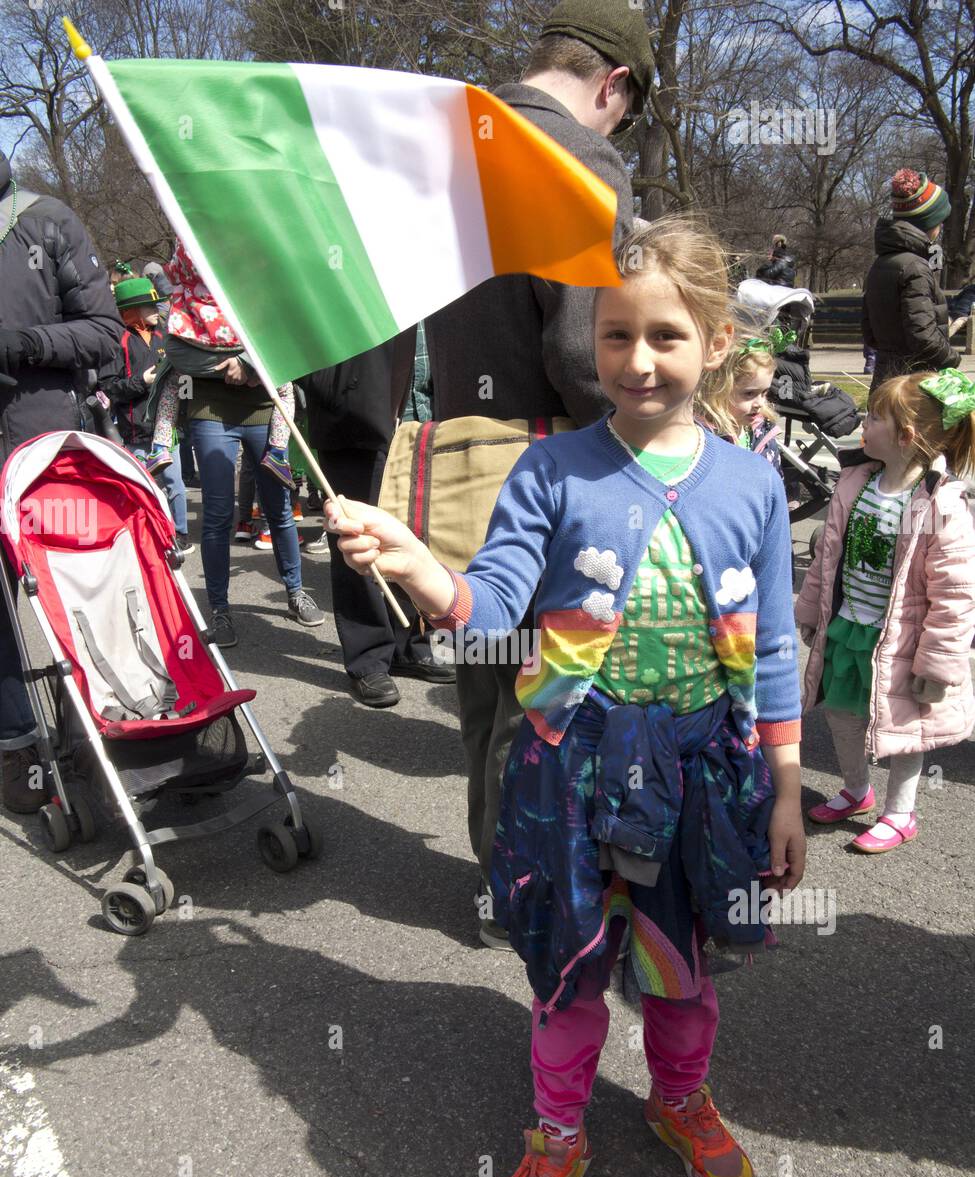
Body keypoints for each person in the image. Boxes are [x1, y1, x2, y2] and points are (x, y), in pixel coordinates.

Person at [326, 216, 806, 1177]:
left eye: (667, 337)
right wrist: (422, 567)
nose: (638, 360)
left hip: (702, 772)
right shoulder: (551, 471)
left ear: (717, 342)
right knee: (570, 965)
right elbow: (494, 605)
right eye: (617, 336)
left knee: (681, 968)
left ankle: (680, 1096)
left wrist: (787, 779)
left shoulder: (754, 485)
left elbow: (771, 645)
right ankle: (556, 1131)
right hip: (573, 769)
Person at [424, 0, 647, 943]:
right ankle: (530, 890)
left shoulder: (457, 141)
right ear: (614, 84)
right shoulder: (577, 157)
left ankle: (493, 875)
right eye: (623, 116)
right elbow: (581, 345)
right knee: (548, 694)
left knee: (485, 685)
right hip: (554, 462)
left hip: (463, 451)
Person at [795, 368, 975, 852]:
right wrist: (812, 610)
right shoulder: (857, 481)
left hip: (902, 643)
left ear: (905, 435)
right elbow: (827, 555)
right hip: (850, 628)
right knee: (841, 713)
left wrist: (938, 665)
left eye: (874, 418)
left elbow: (957, 595)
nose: (862, 423)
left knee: (904, 731)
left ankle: (901, 812)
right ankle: (856, 789)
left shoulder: (941, 504)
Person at [0, 150, 122, 813]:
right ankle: (18, 744)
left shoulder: (44, 222)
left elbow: (105, 334)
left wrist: (20, 345)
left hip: (43, 447)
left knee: (76, 593)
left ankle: (93, 728)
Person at [146, 242, 322, 648]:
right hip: (211, 407)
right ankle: (220, 610)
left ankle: (295, 591)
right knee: (218, 511)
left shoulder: (259, 278)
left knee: (278, 507)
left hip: (266, 406)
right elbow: (179, 352)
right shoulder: (190, 289)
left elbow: (285, 345)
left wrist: (249, 364)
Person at [302, 332, 452, 707]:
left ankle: (409, 643)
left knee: (415, 535)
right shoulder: (343, 271)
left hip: (425, 417)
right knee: (358, 538)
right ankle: (368, 658)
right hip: (358, 414)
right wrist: (334, 390)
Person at [101, 276, 193, 553]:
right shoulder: (120, 342)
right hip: (135, 431)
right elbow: (109, 389)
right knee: (143, 486)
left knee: (175, 483)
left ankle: (180, 533)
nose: (157, 310)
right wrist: (142, 381)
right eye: (149, 306)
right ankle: (146, 532)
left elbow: (182, 379)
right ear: (131, 312)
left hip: (166, 429)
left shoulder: (164, 337)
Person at [862, 170, 961, 390]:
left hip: (885, 378)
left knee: (883, 424)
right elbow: (922, 335)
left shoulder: (881, 263)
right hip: (912, 382)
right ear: (929, 222)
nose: (940, 228)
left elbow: (869, 331)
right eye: (939, 222)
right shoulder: (915, 267)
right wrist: (952, 360)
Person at [696, 337, 782, 477]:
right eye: (749, 393)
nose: (759, 403)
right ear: (719, 388)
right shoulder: (704, 440)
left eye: (764, 392)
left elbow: (775, 483)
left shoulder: (763, 432)